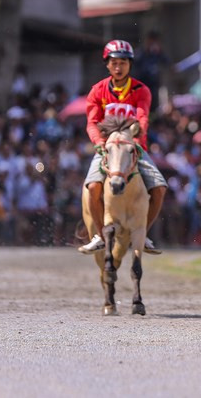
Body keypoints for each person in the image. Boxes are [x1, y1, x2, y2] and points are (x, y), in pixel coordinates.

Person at [77, 40, 168, 255]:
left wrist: (138, 136)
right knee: (92, 187)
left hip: (133, 147)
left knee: (160, 188)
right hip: (107, 149)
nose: (119, 68)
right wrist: (99, 143)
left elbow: (143, 115)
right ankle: (100, 234)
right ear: (107, 65)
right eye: (114, 63)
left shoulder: (141, 90)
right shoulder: (97, 91)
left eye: (123, 63)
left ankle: (143, 232)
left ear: (130, 65)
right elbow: (92, 121)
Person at [134, 31, 171, 113]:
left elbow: (167, 62)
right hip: (142, 83)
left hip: (154, 84)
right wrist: (146, 50)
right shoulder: (141, 52)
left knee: (153, 105)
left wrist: (160, 51)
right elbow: (135, 61)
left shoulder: (157, 53)